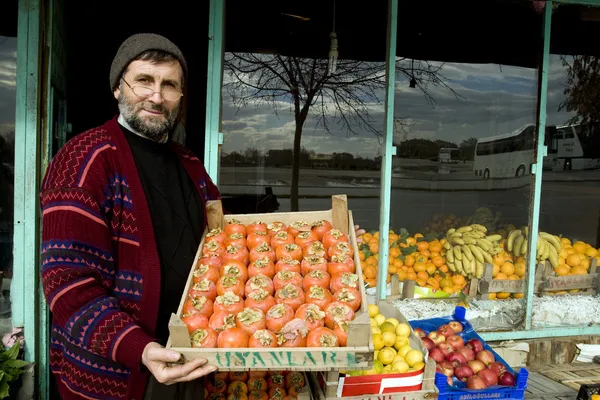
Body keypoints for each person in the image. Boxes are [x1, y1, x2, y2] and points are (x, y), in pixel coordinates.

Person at [40, 33, 365, 400]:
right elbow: (67, 285)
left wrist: (320, 241)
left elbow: (225, 233)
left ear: (181, 96)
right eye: (144, 81)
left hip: (193, 354)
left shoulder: (189, 163)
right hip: (118, 374)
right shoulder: (83, 162)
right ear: (118, 87)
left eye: (170, 85)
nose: (157, 96)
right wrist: (139, 348)